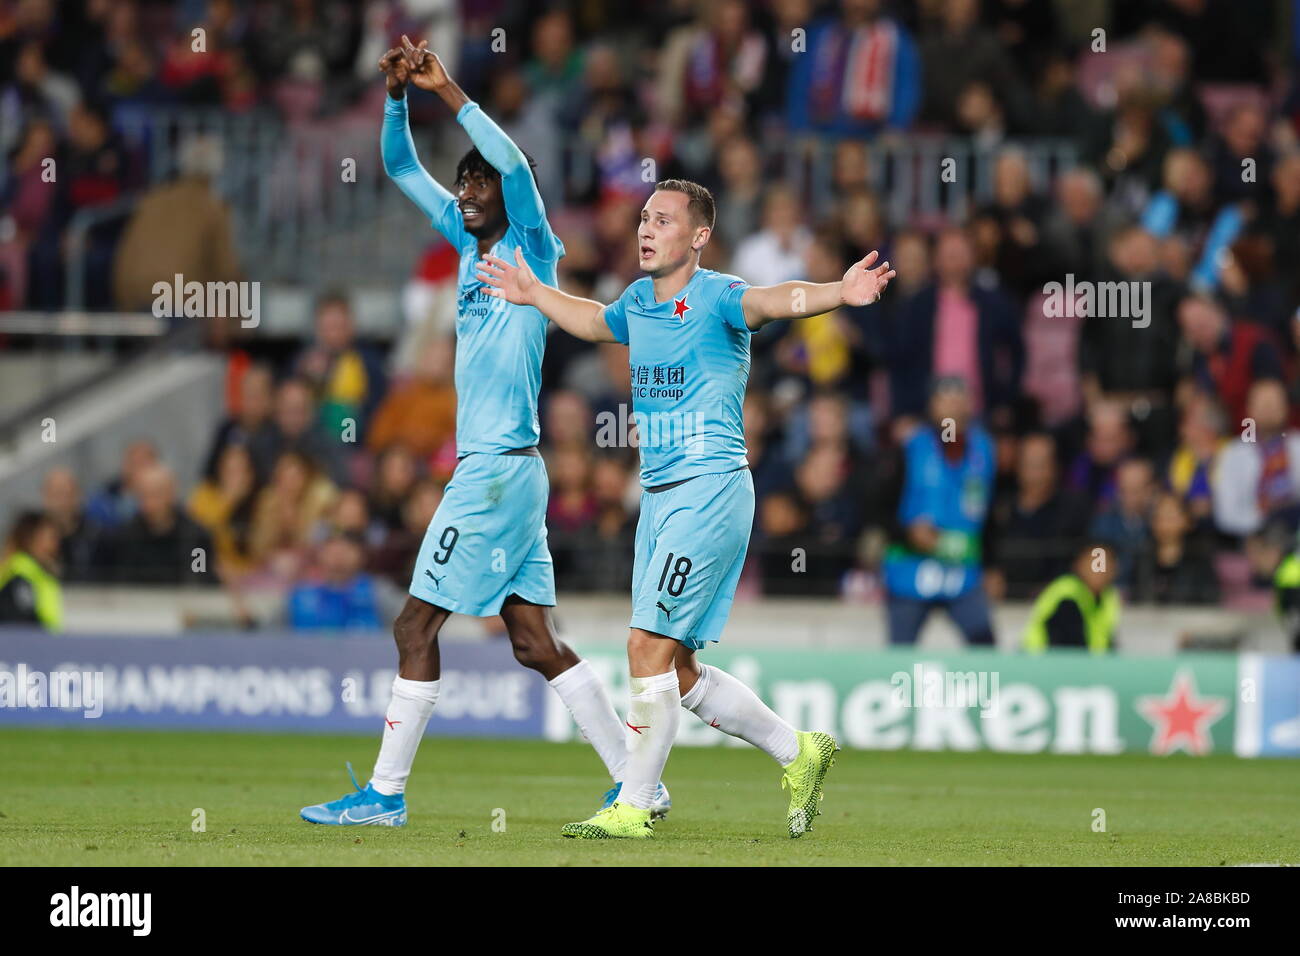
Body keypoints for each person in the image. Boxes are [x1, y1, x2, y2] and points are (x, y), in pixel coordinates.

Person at [478, 177, 896, 838]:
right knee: (675, 665)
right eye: (644, 218)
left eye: (664, 220)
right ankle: (799, 752)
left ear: (699, 236)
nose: (646, 229)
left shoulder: (719, 297)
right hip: (661, 497)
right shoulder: (638, 302)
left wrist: (837, 294)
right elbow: (592, 320)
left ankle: (634, 806)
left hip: (710, 489)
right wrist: (534, 293)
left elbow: (775, 300)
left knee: (645, 644)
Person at [300, 38, 649, 829]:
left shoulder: (530, 244)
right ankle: (638, 781)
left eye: (477, 182)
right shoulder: (465, 246)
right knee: (531, 639)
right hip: (510, 471)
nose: (466, 191)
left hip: (494, 472)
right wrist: (396, 97)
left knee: (415, 624)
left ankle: (385, 796)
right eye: (462, 182)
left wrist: (446, 87)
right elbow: (396, 169)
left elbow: (518, 168)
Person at [882, 377, 996, 647]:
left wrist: (993, 564)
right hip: (911, 571)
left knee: (985, 649)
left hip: (963, 572)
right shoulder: (909, 448)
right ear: (931, 406)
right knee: (900, 657)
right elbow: (879, 507)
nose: (953, 407)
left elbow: (991, 514)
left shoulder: (985, 450)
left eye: (960, 399)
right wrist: (908, 533)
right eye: (945, 399)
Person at [1023, 540, 1119, 653]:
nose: (1099, 570)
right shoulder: (1067, 594)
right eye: (1094, 562)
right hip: (1039, 663)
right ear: (1078, 564)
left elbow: (1106, 640)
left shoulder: (1109, 597)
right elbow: (1068, 647)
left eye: (1104, 563)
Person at [0, 511, 63, 632]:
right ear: (30, 539)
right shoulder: (20, 575)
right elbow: (21, 624)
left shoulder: (37, 574)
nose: (57, 545)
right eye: (51, 538)